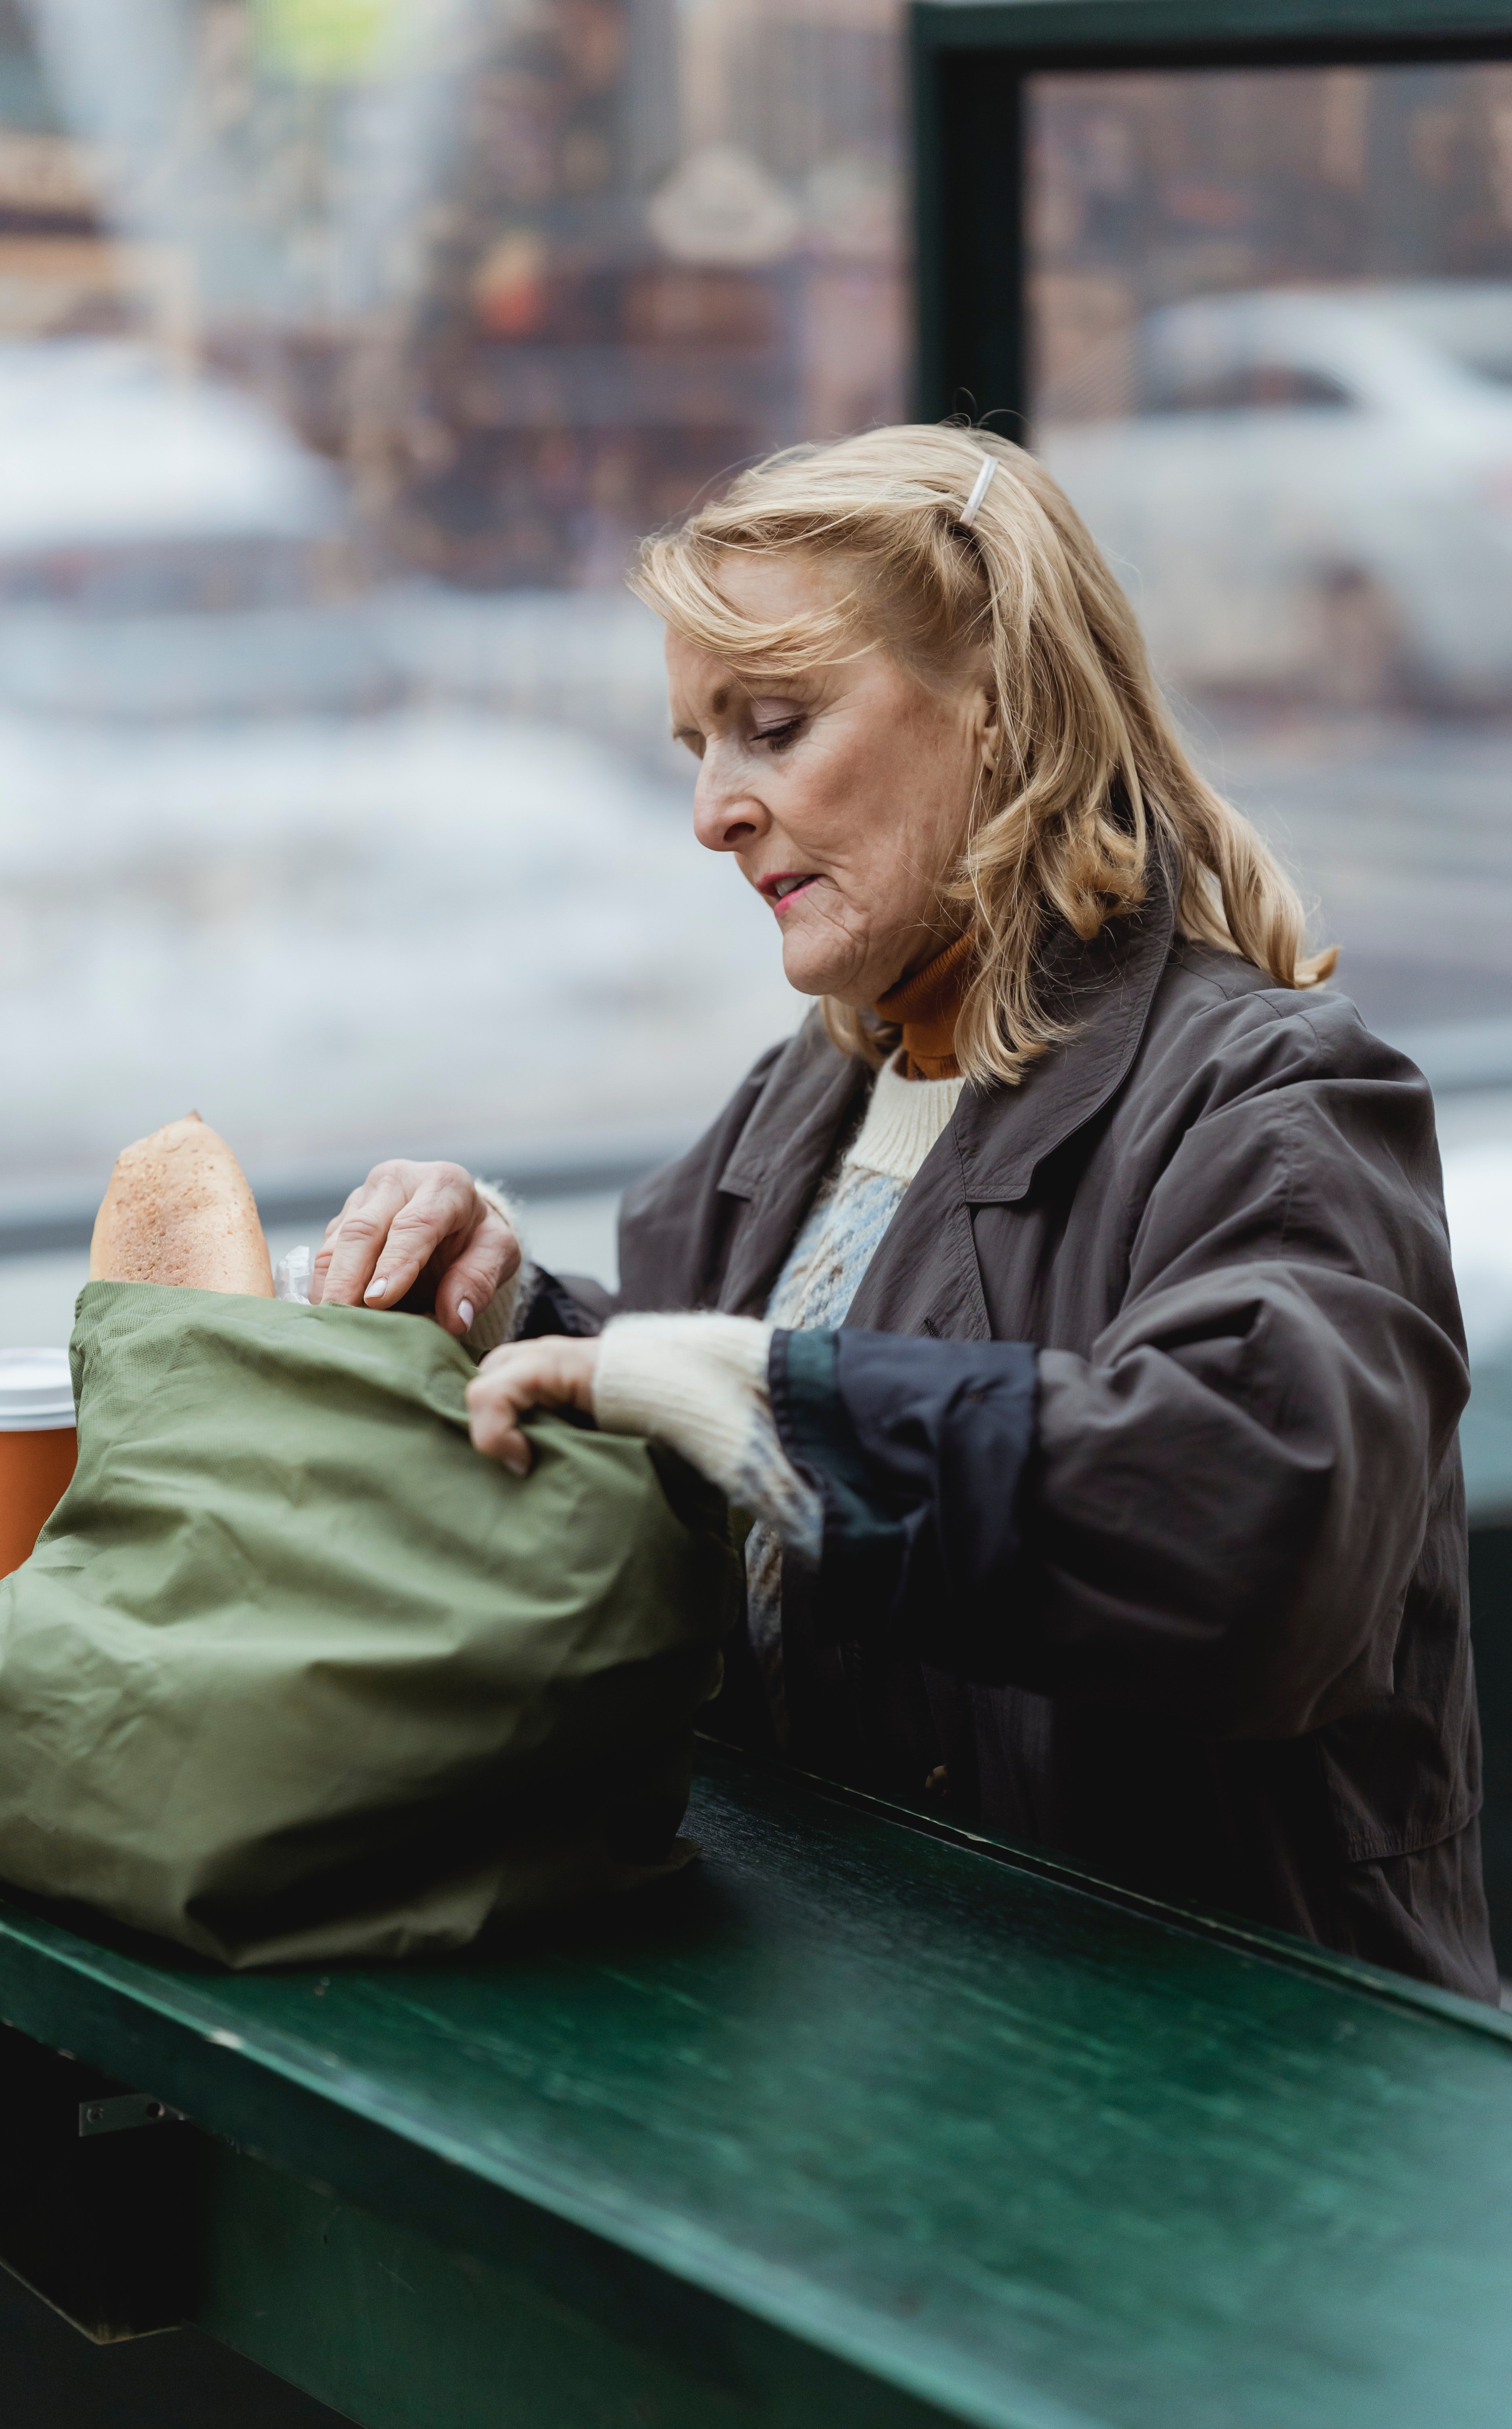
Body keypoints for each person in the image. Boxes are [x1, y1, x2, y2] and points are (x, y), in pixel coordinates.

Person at [313, 425, 1494, 2002]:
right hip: (860, 2067)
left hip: (1233, 2116)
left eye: (774, 726)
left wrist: (760, 1401)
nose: (714, 813)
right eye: (697, 748)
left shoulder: (1276, 1103)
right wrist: (521, 1319)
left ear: (998, 704)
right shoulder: (778, 1127)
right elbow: (719, 1498)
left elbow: (1262, 1524)